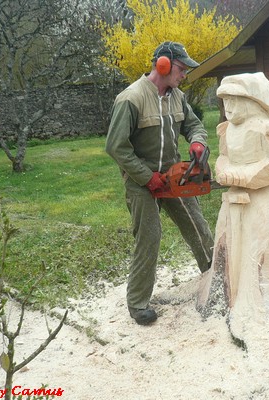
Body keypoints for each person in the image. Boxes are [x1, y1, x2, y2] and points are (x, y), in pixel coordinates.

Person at [105, 41, 214, 325]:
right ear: (163, 64)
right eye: (181, 69)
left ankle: (215, 275)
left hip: (172, 175)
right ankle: (138, 302)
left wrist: (198, 143)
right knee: (149, 237)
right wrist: (146, 177)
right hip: (141, 180)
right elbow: (117, 147)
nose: (184, 75)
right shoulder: (131, 98)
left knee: (197, 224)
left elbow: (194, 126)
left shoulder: (178, 97)